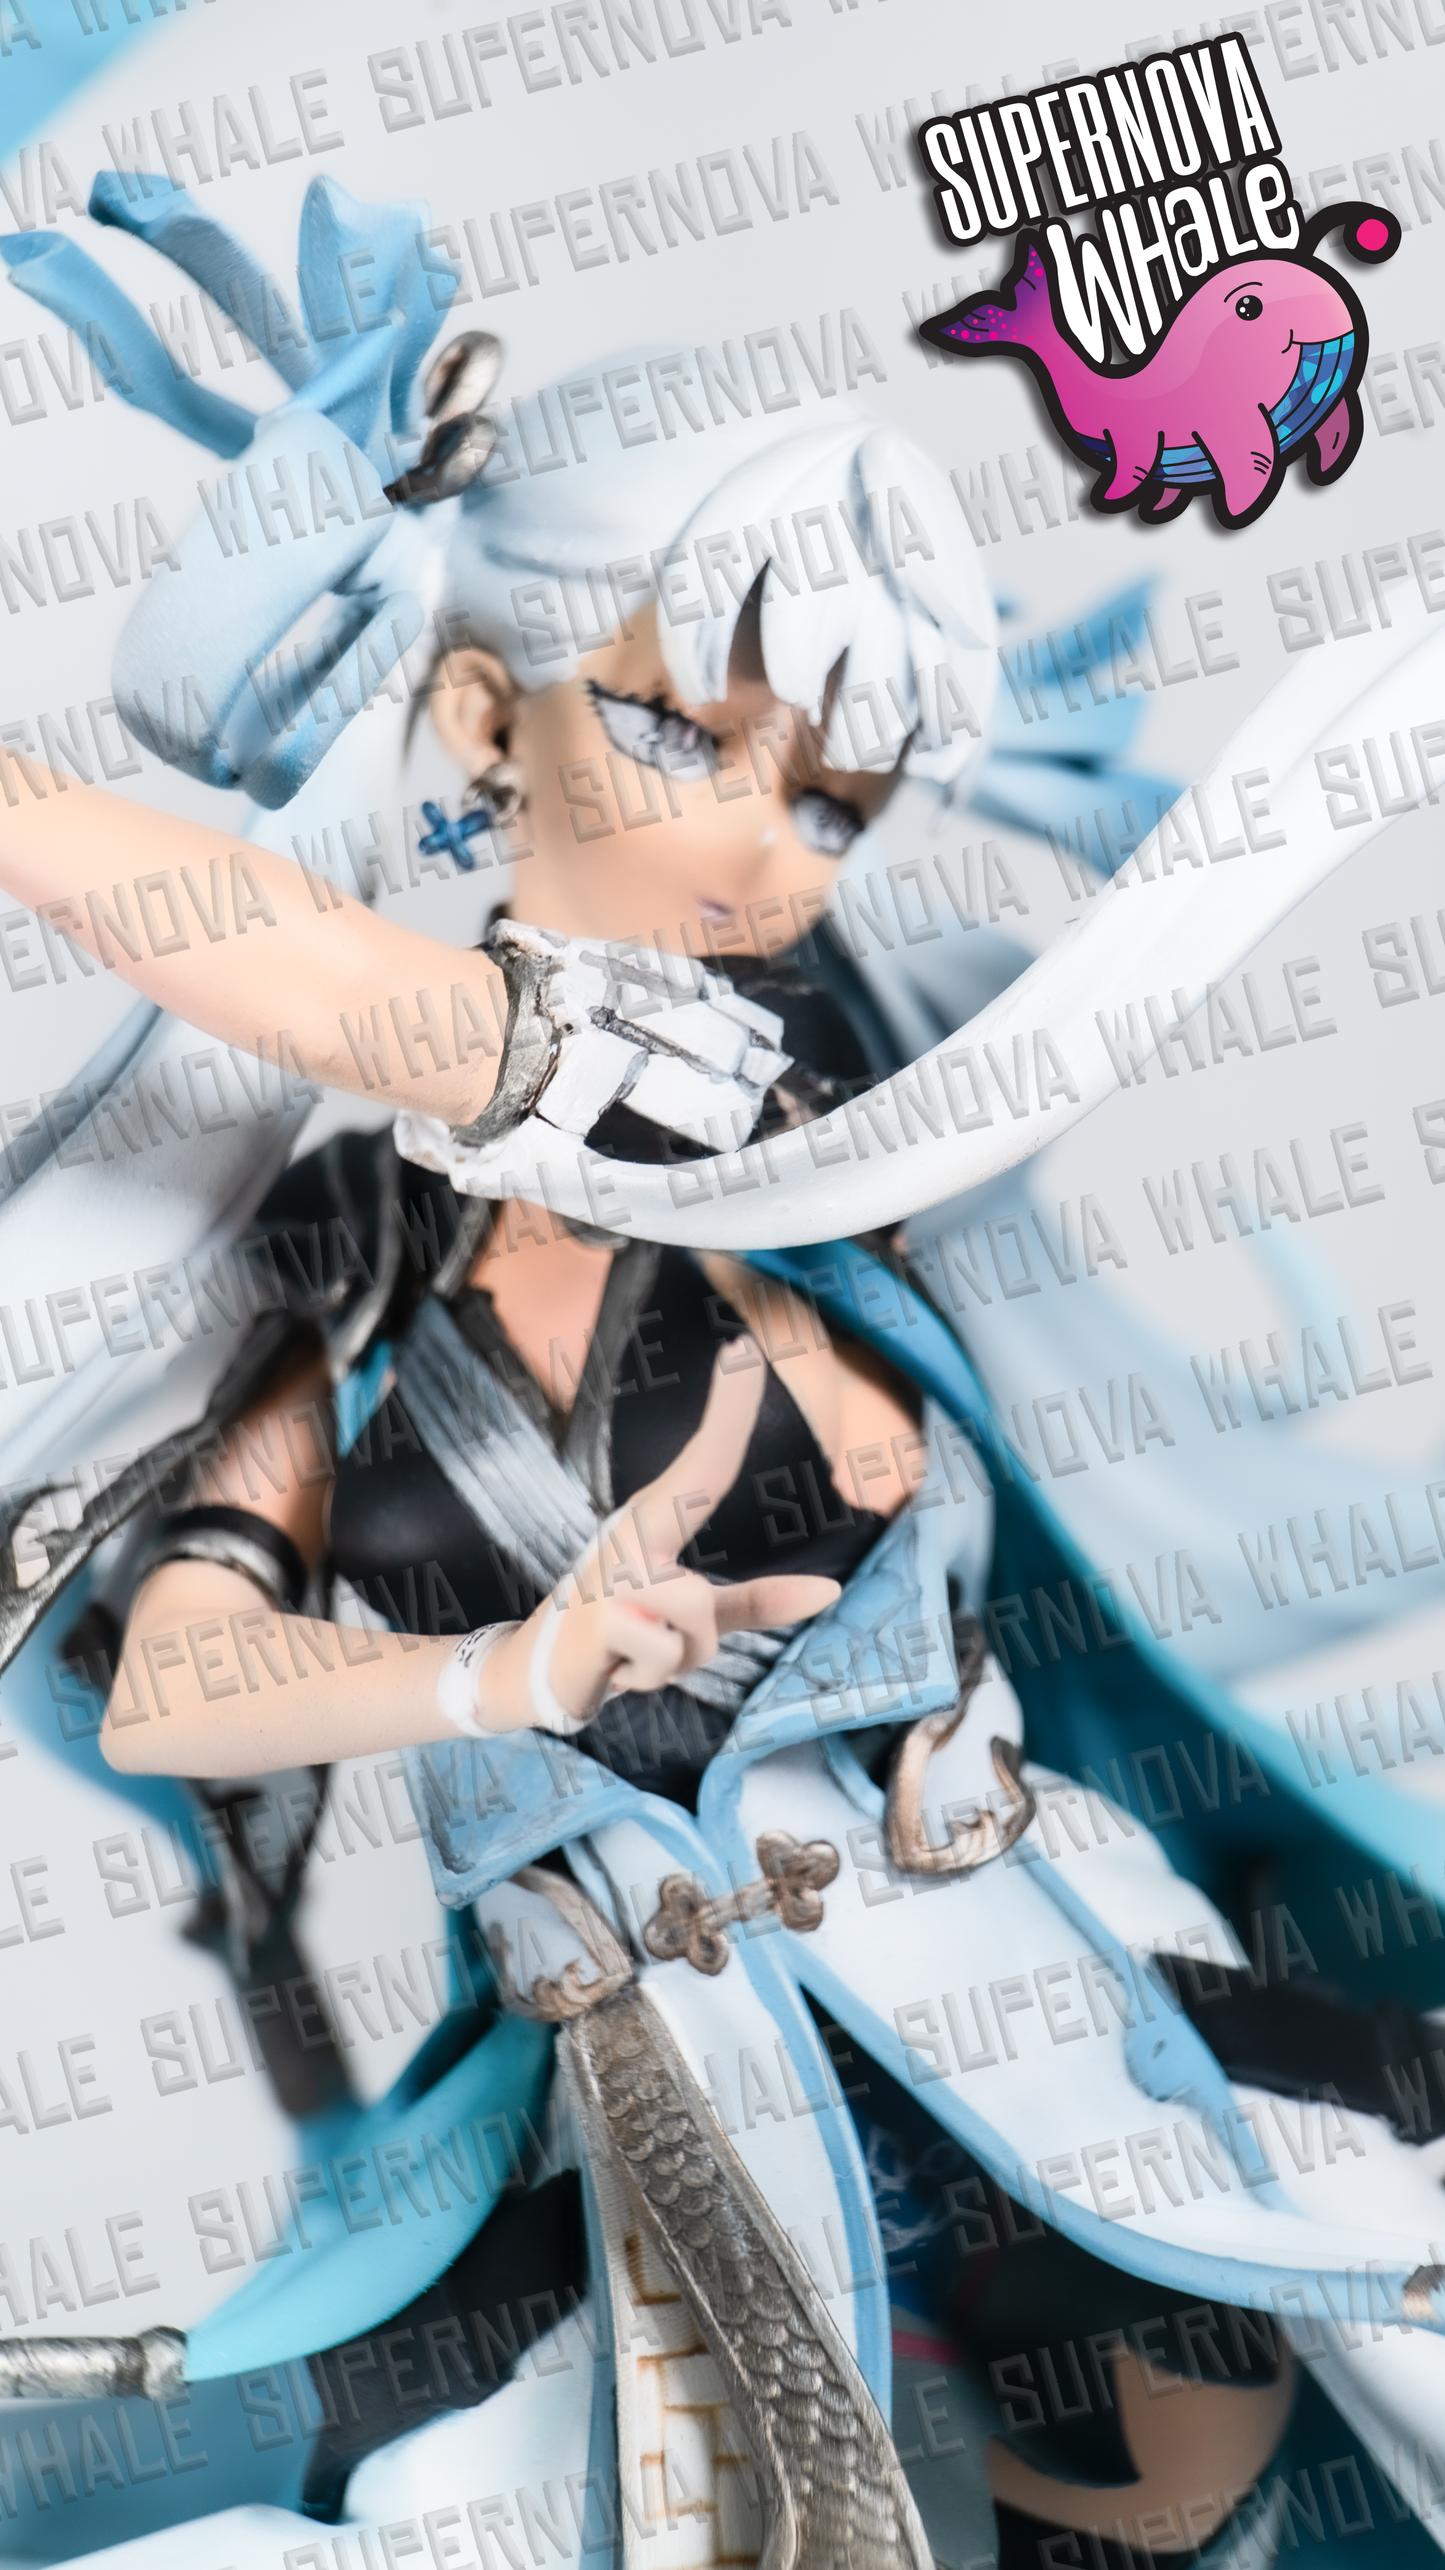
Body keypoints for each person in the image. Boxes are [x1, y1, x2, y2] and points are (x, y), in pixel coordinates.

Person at [5, 171, 1445, 2568]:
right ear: (487, 717)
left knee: (1234, 2437)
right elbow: (178, 1684)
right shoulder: (349, 1255)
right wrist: (497, 1674)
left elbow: (376, 1001)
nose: (763, 849)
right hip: (640, 2090)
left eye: (832, 798)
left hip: (1030, 2001)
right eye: (691, 729)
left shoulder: (769, 1103)